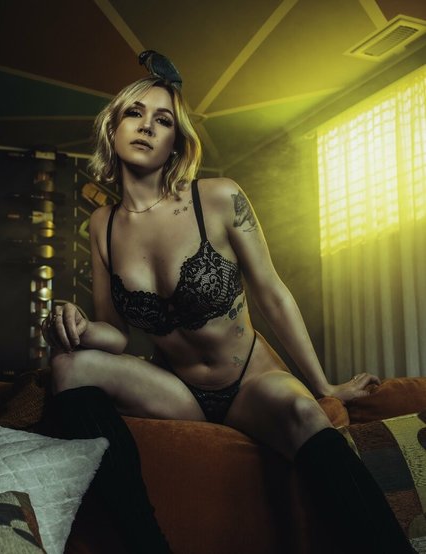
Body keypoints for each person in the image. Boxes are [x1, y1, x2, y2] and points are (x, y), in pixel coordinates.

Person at [42, 68, 414, 554]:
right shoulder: (102, 225)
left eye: (163, 120)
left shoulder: (218, 198)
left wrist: (323, 385)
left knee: (302, 412)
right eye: (135, 113)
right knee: (69, 367)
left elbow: (272, 293)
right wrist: (75, 323)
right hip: (177, 390)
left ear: (175, 143)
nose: (147, 126)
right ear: (113, 128)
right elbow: (114, 334)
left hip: (249, 380)